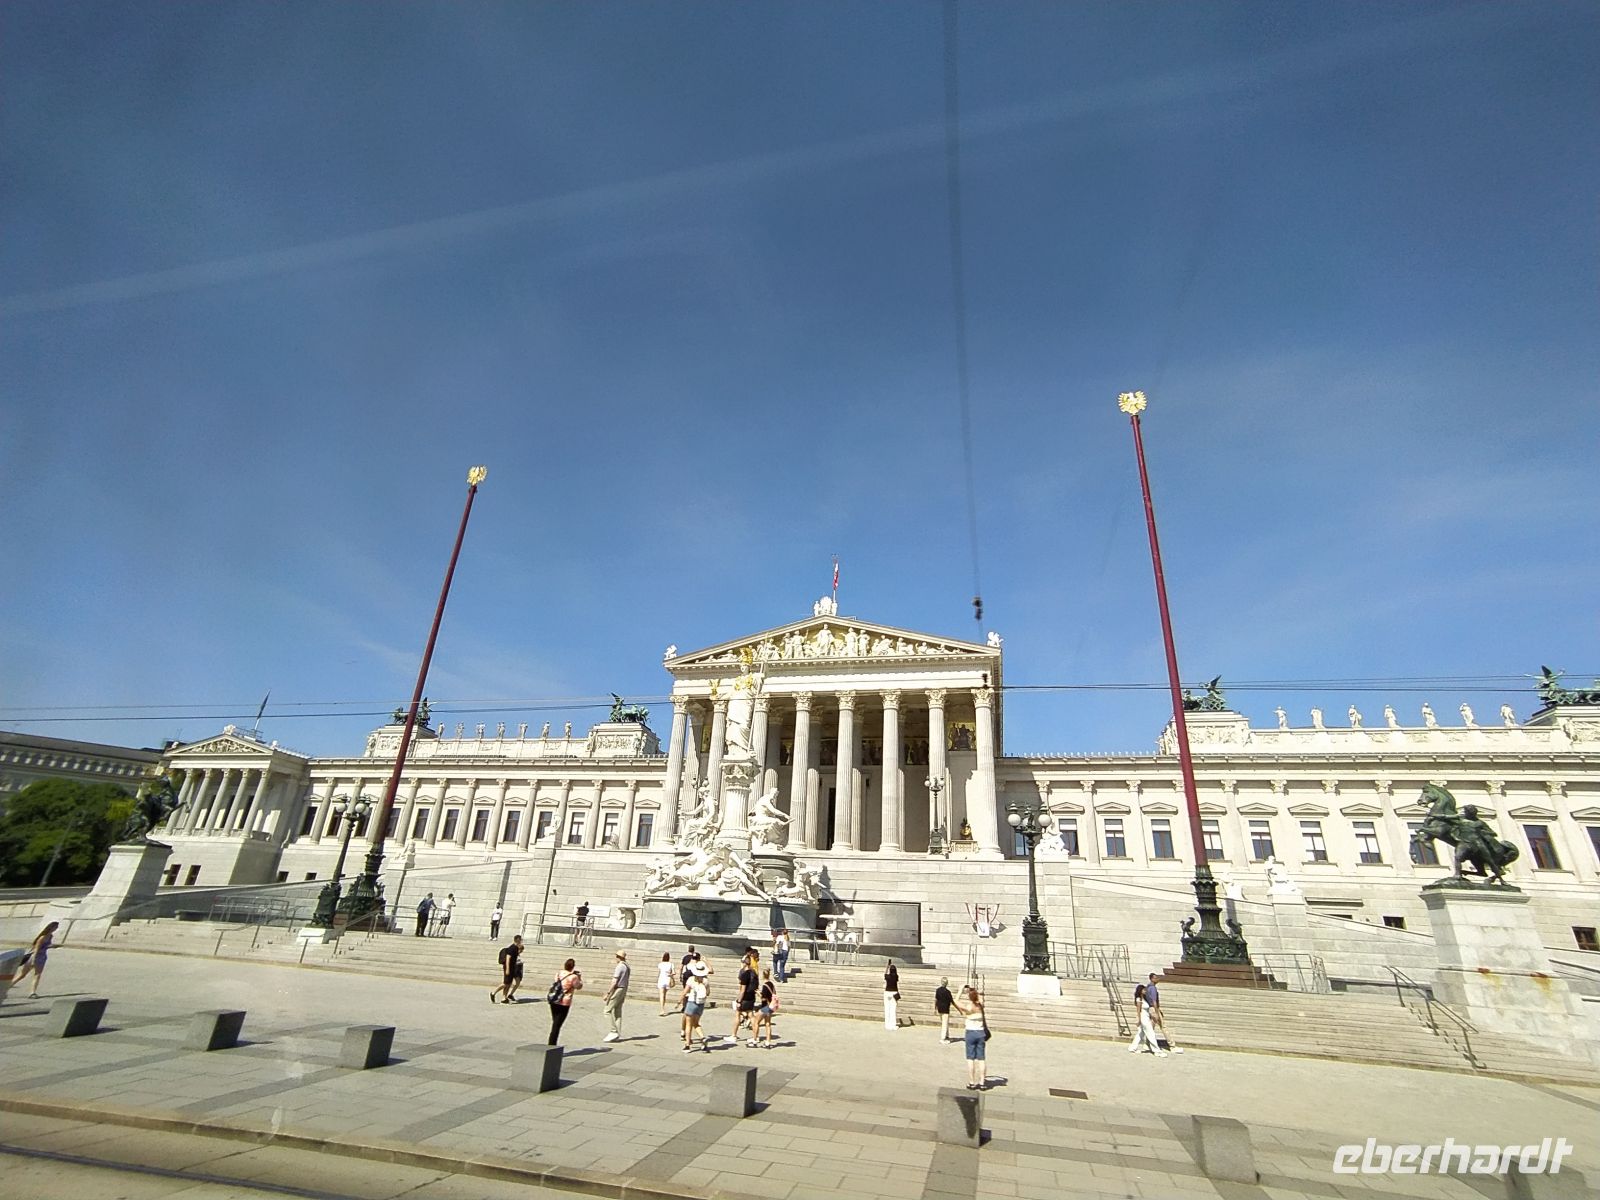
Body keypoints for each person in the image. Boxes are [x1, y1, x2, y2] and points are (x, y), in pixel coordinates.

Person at [953, 985, 988, 1089]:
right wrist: (975, 991)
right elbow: (981, 998)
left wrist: (960, 990)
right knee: (981, 1059)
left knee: (970, 1058)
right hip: (980, 1032)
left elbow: (955, 1001)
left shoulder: (968, 1007)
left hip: (970, 1033)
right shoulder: (980, 1005)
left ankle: (972, 1082)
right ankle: (982, 1082)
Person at [14, 921, 59, 999]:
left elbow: (45, 946)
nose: (55, 929)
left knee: (37, 975)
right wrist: (34, 960)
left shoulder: (50, 936)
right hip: (35, 957)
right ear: (50, 927)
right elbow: (36, 949)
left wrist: (52, 946)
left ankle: (32, 992)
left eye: (56, 927)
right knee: (22, 975)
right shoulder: (42, 937)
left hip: (42, 957)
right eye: (55, 927)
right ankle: (6, 987)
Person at [547, 958, 582, 1046]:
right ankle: (551, 1044)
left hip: (554, 1000)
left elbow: (556, 982)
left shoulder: (559, 973)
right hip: (564, 1002)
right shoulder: (573, 977)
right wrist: (579, 978)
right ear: (573, 967)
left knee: (555, 1021)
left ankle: (552, 1043)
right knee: (557, 1025)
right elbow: (578, 986)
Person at [1128, 984, 1167, 1056]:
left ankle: (1132, 1047)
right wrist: (1139, 1019)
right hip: (1143, 1018)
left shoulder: (1144, 999)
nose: (1145, 991)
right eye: (1144, 990)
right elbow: (1138, 1011)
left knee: (1140, 1033)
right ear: (1140, 991)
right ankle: (1156, 1050)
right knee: (1151, 1033)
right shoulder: (1139, 999)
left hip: (1146, 1017)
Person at [682, 961, 710, 1052]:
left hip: (691, 1003)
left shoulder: (691, 979)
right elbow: (708, 993)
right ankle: (702, 1038)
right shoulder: (705, 981)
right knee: (696, 1024)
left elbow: (685, 991)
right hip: (701, 1004)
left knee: (689, 1024)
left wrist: (679, 1000)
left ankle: (687, 1045)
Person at [601, 951, 630, 1042]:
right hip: (623, 988)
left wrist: (608, 993)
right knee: (618, 1011)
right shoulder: (627, 966)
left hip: (618, 989)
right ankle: (617, 1033)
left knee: (607, 1010)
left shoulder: (620, 966)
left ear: (618, 957)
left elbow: (614, 981)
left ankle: (613, 1031)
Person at [734, 952, 760, 1045]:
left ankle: (734, 1035)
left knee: (737, 1014)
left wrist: (739, 1000)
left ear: (744, 963)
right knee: (751, 1016)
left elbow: (742, 990)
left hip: (745, 997)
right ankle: (755, 1037)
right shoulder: (754, 972)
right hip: (752, 996)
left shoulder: (745, 974)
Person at [490, 935, 524, 1003]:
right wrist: (507, 969)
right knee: (505, 983)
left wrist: (521, 949)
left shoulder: (516, 948)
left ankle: (504, 998)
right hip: (508, 968)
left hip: (512, 968)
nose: (521, 941)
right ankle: (493, 993)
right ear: (518, 940)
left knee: (508, 983)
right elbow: (508, 958)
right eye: (521, 940)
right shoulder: (512, 948)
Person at [754, 968, 778, 1048]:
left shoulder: (765, 985)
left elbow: (763, 998)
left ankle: (755, 1040)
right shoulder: (771, 984)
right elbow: (773, 993)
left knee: (756, 1022)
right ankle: (768, 1041)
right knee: (768, 1024)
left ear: (763, 976)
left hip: (765, 1006)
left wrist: (758, 993)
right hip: (771, 1006)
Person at [934, 977, 955, 1043]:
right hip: (945, 1009)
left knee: (944, 1023)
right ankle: (943, 1038)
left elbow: (936, 999)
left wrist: (935, 1008)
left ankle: (947, 1036)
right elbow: (951, 1001)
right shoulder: (948, 992)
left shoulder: (938, 990)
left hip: (940, 1008)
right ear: (947, 983)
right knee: (944, 1024)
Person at [883, 960, 900, 1030]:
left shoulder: (888, 976)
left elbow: (885, 973)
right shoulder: (896, 976)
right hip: (894, 993)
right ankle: (893, 1025)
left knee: (887, 1009)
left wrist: (887, 966)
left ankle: (887, 1025)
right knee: (893, 1009)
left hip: (887, 993)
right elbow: (895, 974)